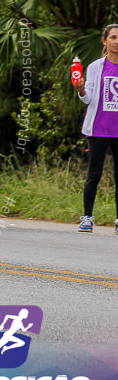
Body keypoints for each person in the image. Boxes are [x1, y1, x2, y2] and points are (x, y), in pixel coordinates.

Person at [73, 23, 118, 233]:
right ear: (105, 41)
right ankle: (88, 217)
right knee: (94, 174)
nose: (117, 42)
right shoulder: (95, 67)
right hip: (98, 129)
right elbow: (88, 98)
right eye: (113, 38)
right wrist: (81, 89)